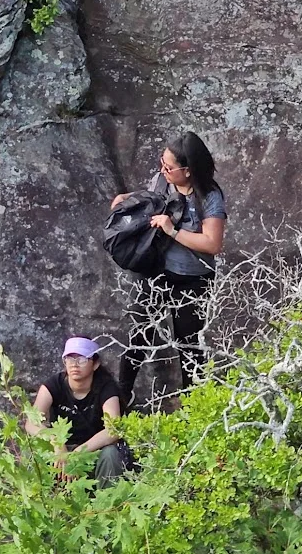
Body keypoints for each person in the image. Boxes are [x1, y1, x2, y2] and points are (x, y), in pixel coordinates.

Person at [110, 131, 227, 408]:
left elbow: (212, 243)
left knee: (189, 347)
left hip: (192, 280)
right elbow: (152, 200)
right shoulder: (163, 180)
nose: (163, 170)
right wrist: (127, 199)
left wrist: (172, 230)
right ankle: (117, 401)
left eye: (169, 167)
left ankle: (193, 409)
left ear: (188, 170)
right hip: (155, 271)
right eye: (162, 163)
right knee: (138, 335)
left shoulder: (210, 196)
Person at [25, 336, 128, 487]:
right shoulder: (53, 385)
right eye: (70, 359)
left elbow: (112, 430)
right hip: (61, 448)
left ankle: (108, 504)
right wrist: (56, 442)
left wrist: (77, 453)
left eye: (82, 359)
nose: (75, 365)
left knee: (110, 454)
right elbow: (31, 423)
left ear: (95, 363)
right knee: (31, 451)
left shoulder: (106, 388)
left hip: (93, 450)